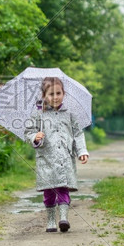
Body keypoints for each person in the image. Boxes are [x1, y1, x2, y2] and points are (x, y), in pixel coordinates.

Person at [24, 77, 89, 233]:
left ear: (63, 93)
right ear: (44, 95)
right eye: (51, 94)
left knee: (63, 188)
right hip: (46, 159)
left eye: (58, 93)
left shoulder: (70, 114)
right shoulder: (38, 114)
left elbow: (77, 134)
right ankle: (51, 220)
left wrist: (81, 151)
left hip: (65, 158)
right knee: (49, 191)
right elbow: (28, 132)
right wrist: (35, 137)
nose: (55, 97)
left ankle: (63, 218)